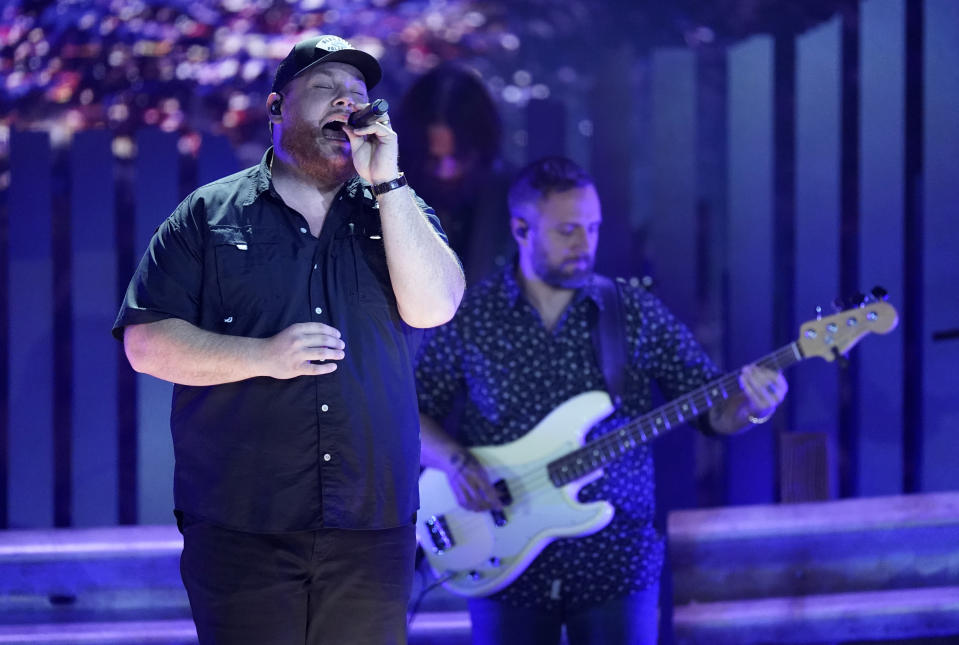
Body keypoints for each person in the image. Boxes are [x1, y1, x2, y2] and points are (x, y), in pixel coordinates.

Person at [113, 35, 465, 645]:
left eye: (358, 94)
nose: (348, 104)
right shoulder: (209, 213)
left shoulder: (395, 209)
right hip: (243, 523)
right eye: (327, 90)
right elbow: (146, 344)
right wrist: (263, 356)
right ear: (277, 107)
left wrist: (389, 184)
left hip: (369, 522)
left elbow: (435, 308)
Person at [414, 156, 787, 644]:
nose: (584, 244)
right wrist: (457, 464)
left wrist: (753, 405)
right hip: (499, 560)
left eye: (592, 228)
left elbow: (710, 407)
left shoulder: (631, 310)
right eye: (567, 230)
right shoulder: (472, 316)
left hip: (616, 563)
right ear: (521, 228)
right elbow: (409, 414)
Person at [396, 63, 515, 284]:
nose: (445, 171)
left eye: (459, 157)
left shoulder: (515, 202)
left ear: (482, 149)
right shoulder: (383, 196)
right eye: (432, 159)